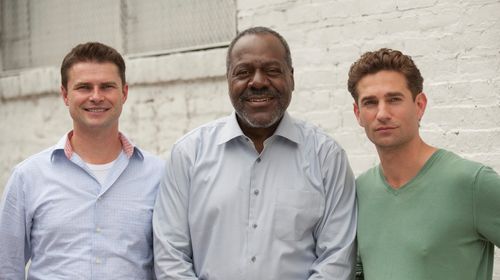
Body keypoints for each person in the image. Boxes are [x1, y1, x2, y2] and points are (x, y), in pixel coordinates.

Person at [153, 26, 357, 279]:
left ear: (291, 77)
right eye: (244, 72)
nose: (258, 82)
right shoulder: (188, 155)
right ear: (228, 79)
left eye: (272, 71)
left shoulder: (327, 157)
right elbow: (170, 257)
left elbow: (336, 260)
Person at [0, 42, 164, 279]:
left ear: (124, 93)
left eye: (107, 87)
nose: (96, 97)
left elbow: (171, 261)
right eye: (84, 87)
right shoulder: (28, 177)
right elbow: (6, 267)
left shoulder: (159, 175)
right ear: (65, 95)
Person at [348, 48, 500, 279]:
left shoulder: (470, 183)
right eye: (370, 103)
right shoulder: (360, 191)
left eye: (394, 99)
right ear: (358, 113)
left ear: (419, 105)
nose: (382, 113)